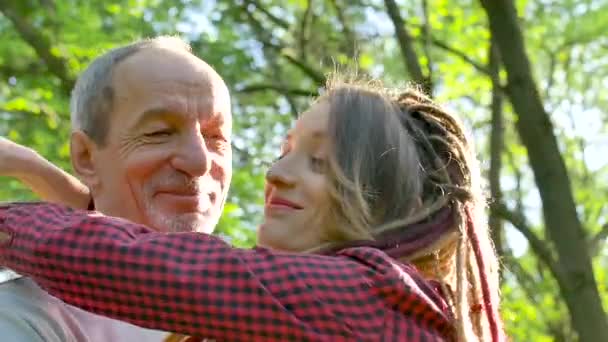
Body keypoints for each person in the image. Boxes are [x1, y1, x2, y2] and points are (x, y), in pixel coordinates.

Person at [0, 76, 504, 341]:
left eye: (320, 163)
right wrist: (45, 176)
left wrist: (7, 221)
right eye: (284, 153)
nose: (275, 174)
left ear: (385, 198)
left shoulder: (371, 296)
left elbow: (150, 270)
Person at [0, 35, 232, 341]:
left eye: (216, 137)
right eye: (159, 132)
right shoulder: (24, 315)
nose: (200, 161)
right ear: (86, 157)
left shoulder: (268, 297)